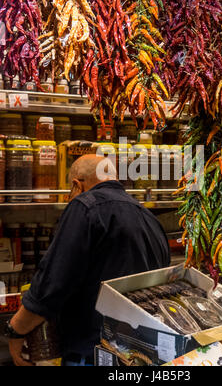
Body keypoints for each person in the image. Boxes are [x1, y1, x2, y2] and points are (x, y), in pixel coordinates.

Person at [6, 154, 171, 366]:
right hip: (140, 354)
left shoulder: (85, 207)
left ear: (77, 185)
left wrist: (16, 329)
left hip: (94, 352)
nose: (68, 199)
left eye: (69, 192)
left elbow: (53, 282)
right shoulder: (148, 217)